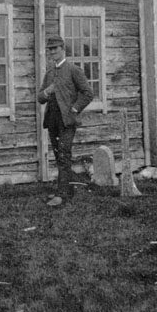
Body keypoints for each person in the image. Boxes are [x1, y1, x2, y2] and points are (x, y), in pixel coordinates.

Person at [37, 36, 94, 206]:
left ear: (63, 49)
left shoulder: (73, 70)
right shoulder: (49, 72)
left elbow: (88, 93)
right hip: (52, 120)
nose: (52, 52)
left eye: (55, 48)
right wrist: (47, 91)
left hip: (67, 121)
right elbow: (40, 98)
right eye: (50, 49)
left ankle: (62, 195)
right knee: (59, 155)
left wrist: (75, 109)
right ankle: (66, 190)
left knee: (64, 154)